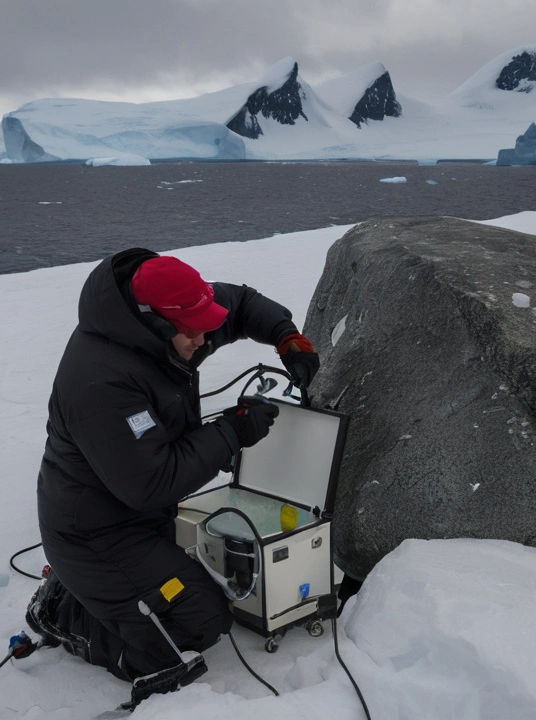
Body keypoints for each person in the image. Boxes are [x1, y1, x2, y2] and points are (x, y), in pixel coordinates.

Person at [24, 247, 320, 708]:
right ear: (157, 324)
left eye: (206, 326)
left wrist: (287, 337)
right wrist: (231, 432)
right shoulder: (100, 382)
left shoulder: (168, 321)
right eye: (194, 332)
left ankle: (90, 592)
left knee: (191, 591)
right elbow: (151, 483)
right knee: (194, 626)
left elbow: (239, 305)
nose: (205, 339)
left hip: (133, 518)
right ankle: (63, 612)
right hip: (96, 533)